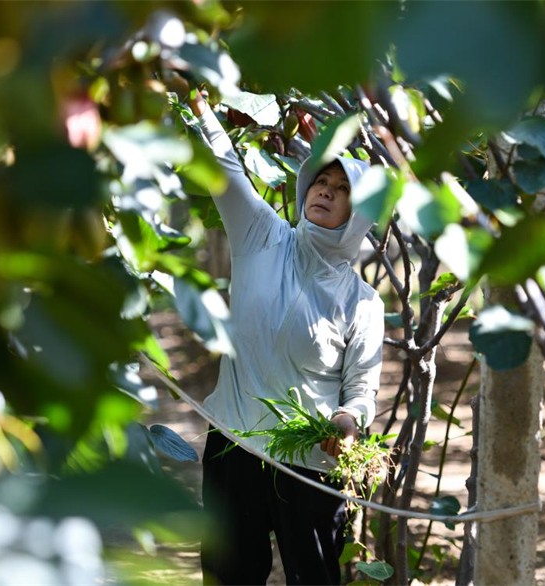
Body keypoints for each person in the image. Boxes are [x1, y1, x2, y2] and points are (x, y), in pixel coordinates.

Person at [187, 91, 384, 586]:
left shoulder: (363, 302)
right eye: (321, 181)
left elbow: (362, 388)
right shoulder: (261, 236)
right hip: (234, 444)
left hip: (309, 464)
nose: (326, 191)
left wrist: (349, 419)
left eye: (342, 188)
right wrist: (201, 107)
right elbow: (226, 170)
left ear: (358, 212)